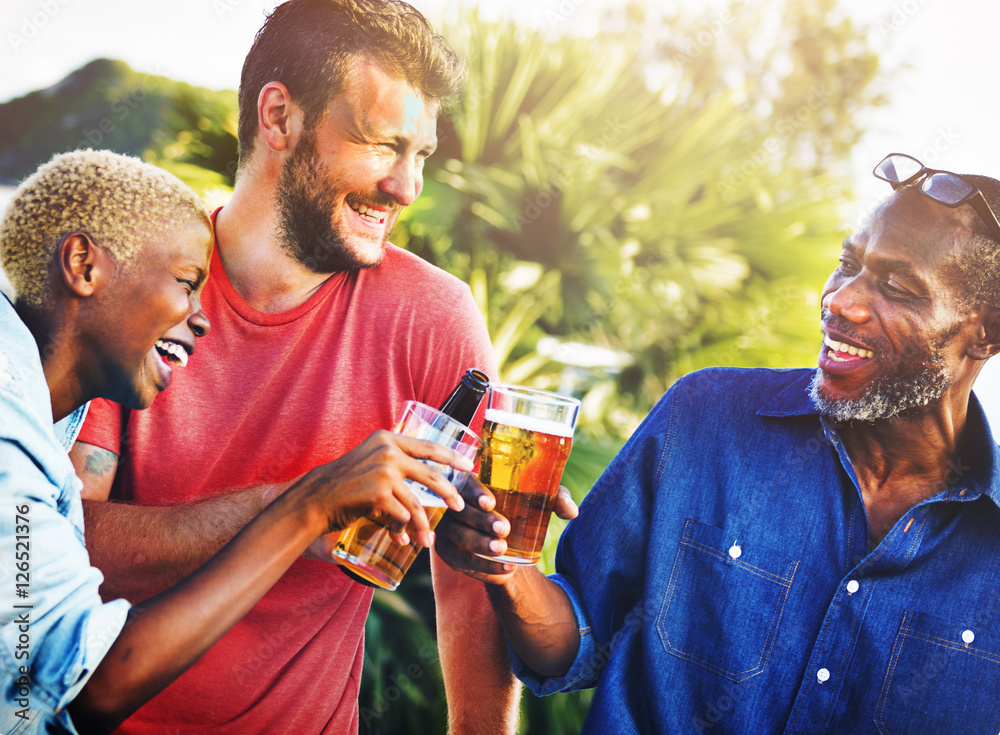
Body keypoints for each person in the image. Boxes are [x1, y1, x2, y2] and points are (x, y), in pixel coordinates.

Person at [69, 1, 525, 732]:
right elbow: (62, 549)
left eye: (421, 154)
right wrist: (301, 506)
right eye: (382, 143)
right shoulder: (132, 285)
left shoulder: (436, 320)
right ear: (278, 117)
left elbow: (472, 592)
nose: (407, 187)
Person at [436, 153, 1000, 734]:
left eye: (898, 287)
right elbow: (572, 645)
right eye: (847, 264)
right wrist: (505, 567)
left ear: (987, 331)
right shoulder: (705, 418)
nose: (841, 301)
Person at [0, 149, 470, 735]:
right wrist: (307, 505)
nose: (202, 317)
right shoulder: (8, 435)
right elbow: (89, 688)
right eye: (185, 284)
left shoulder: (45, 417)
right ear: (83, 265)